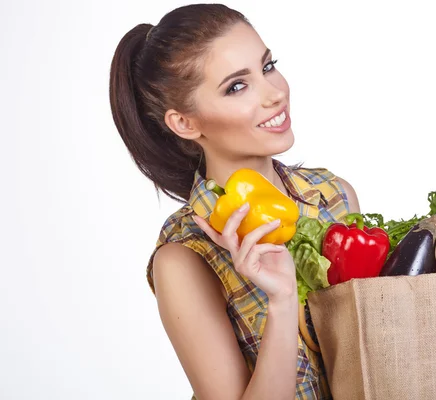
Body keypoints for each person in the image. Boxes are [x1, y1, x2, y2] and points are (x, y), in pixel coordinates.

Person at [109, 4, 359, 399]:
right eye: (237, 86)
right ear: (185, 123)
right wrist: (280, 303)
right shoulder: (184, 255)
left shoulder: (334, 195)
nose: (275, 93)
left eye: (268, 66)